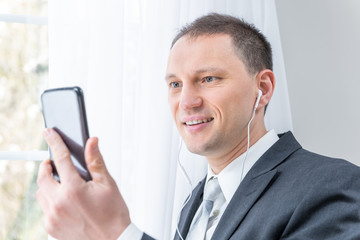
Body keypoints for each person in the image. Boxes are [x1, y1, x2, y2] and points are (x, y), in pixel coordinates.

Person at [36, 13, 360, 240]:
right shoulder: (197, 201)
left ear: (263, 88)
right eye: (175, 84)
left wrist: (116, 233)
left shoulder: (333, 187)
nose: (186, 101)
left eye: (207, 79)